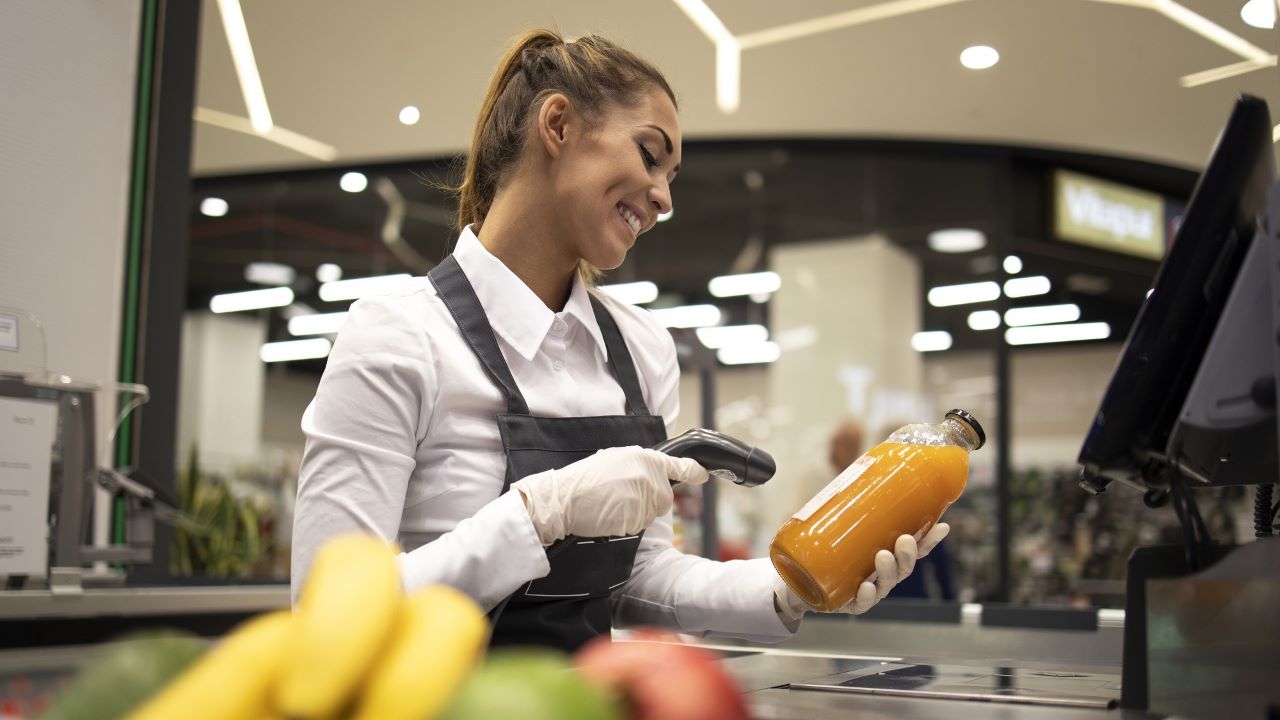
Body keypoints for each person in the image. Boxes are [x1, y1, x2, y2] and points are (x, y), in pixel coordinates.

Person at [291, 29, 948, 651]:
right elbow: (328, 618)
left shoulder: (640, 346)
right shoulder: (399, 335)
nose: (663, 198)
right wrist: (540, 511)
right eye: (650, 154)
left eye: (672, 178)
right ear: (557, 126)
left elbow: (639, 577)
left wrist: (788, 589)